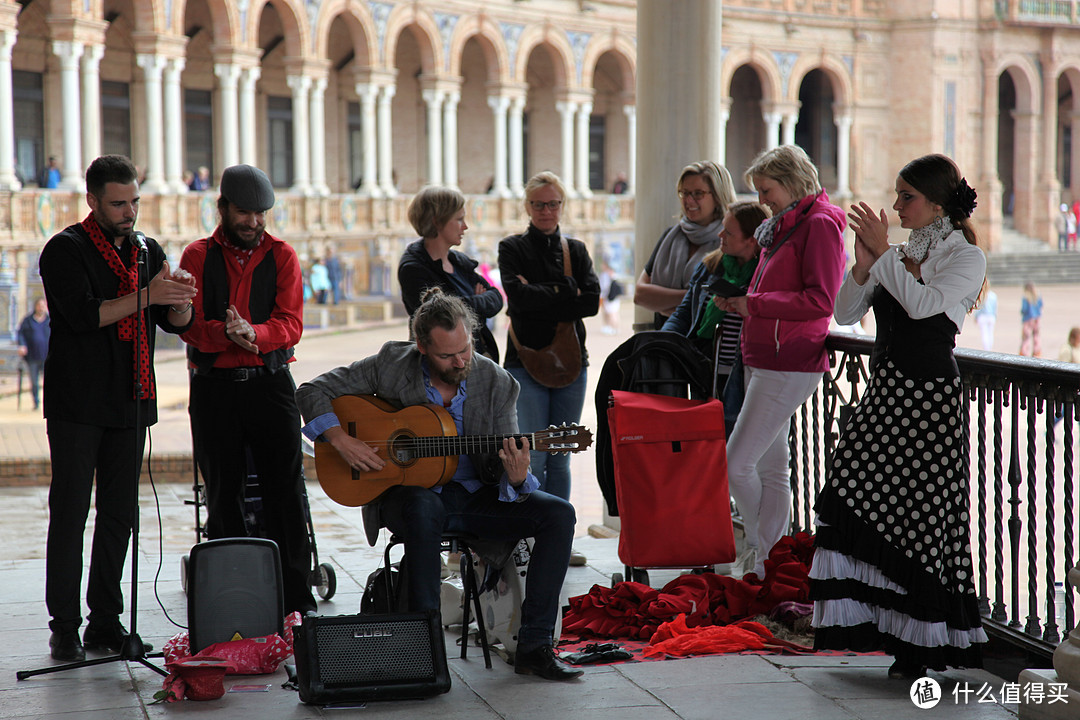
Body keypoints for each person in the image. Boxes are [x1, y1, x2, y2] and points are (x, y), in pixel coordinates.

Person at [295, 288, 582, 681]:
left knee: (558, 513)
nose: (461, 361)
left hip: (475, 496)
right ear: (422, 348)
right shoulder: (392, 363)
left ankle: (535, 646)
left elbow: (508, 471)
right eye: (447, 356)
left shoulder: (498, 383)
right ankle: (424, 651)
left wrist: (516, 476)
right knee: (423, 506)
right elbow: (311, 391)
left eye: (465, 349)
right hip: (407, 498)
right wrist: (341, 440)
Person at [811, 153, 988, 678]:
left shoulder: (965, 257)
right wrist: (865, 263)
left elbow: (923, 308)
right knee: (849, 490)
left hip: (927, 401)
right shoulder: (905, 250)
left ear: (937, 203)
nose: (896, 205)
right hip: (888, 393)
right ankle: (880, 626)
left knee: (919, 518)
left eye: (906, 196)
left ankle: (918, 646)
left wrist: (884, 254)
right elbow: (845, 312)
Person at [39, 154, 196, 662]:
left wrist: (181, 302)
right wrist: (147, 295)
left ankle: (105, 621)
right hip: (77, 403)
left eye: (134, 202)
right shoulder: (65, 250)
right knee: (70, 514)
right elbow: (85, 316)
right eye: (118, 204)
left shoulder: (148, 251)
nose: (129, 212)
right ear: (92, 201)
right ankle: (64, 625)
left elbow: (173, 323)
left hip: (130, 400)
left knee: (119, 515)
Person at [179, 163, 317, 618]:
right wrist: (227, 334)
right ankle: (232, 601)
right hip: (215, 390)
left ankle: (297, 597)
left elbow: (291, 323)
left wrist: (254, 335)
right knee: (223, 496)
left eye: (260, 214)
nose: (254, 222)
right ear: (222, 208)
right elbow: (191, 326)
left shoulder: (283, 256)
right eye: (244, 213)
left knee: (285, 492)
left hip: (270, 386)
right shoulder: (197, 255)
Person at [714, 145, 845, 579]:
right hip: (766, 356)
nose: (763, 199)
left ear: (792, 183)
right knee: (772, 467)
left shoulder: (821, 224)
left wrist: (755, 305)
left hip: (790, 360)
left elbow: (821, 300)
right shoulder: (785, 226)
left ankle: (762, 548)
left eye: (767, 190)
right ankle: (772, 562)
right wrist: (747, 305)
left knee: (737, 464)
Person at [499, 172, 599, 566]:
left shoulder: (575, 248)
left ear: (562, 206)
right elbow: (518, 299)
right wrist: (565, 290)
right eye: (539, 204)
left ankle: (558, 540)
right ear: (527, 206)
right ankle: (529, 539)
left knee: (561, 456)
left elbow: (590, 302)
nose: (546, 210)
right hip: (525, 363)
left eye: (553, 203)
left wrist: (546, 292)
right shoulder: (512, 248)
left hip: (572, 363)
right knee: (533, 455)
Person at [399, 186, 503, 361]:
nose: (465, 226)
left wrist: (463, 303)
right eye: (459, 219)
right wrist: (477, 302)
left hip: (476, 360)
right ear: (437, 221)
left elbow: (496, 298)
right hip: (440, 367)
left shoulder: (458, 261)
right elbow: (439, 317)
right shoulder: (413, 268)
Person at [662, 201, 769, 367]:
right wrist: (663, 338)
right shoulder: (709, 266)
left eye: (728, 232)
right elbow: (684, 313)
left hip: (747, 370)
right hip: (703, 365)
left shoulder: (768, 273)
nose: (720, 235)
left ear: (751, 240)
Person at [634, 161, 737, 329]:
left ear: (718, 196)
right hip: (666, 337)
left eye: (698, 193)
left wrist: (662, 302)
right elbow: (640, 295)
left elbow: (719, 302)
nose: (689, 200)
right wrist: (694, 298)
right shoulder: (670, 236)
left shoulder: (729, 240)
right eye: (684, 193)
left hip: (703, 343)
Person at [16, 297, 51, 410]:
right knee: (34, 382)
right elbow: (20, 333)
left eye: (43, 306)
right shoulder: (28, 320)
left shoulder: (49, 321)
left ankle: (49, 404)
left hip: (47, 356)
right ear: (35, 306)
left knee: (49, 382)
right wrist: (22, 345)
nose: (41, 308)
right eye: (39, 305)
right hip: (32, 356)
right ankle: (36, 402)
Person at [597, 261, 623, 335]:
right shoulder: (606, 275)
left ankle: (614, 328)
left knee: (612, 314)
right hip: (610, 297)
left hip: (611, 298)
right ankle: (610, 327)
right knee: (608, 313)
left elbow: (605, 288)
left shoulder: (611, 277)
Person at [1019, 281, 1043, 356]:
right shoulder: (1038, 296)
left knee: (1026, 337)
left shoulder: (1025, 297)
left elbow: (1024, 309)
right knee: (1036, 336)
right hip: (1036, 319)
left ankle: (1024, 352)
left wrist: (1022, 312)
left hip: (1028, 319)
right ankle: (1037, 352)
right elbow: (1041, 305)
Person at [974, 280, 997, 351]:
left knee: (984, 333)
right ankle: (989, 347)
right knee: (990, 333)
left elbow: (979, 308)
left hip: (983, 316)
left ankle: (986, 349)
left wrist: (976, 316)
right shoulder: (993, 295)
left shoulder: (981, 296)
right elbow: (995, 308)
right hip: (991, 316)